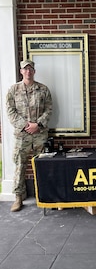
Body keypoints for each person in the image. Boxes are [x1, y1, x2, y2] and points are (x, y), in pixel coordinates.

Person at [6, 59, 52, 212]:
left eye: (30, 69)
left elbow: (48, 109)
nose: (28, 71)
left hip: (39, 133)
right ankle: (18, 197)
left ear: (34, 71)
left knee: (43, 165)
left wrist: (37, 125)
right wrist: (26, 126)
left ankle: (45, 195)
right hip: (22, 135)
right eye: (25, 69)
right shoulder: (13, 90)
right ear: (21, 71)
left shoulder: (43, 89)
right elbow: (10, 111)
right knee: (20, 165)